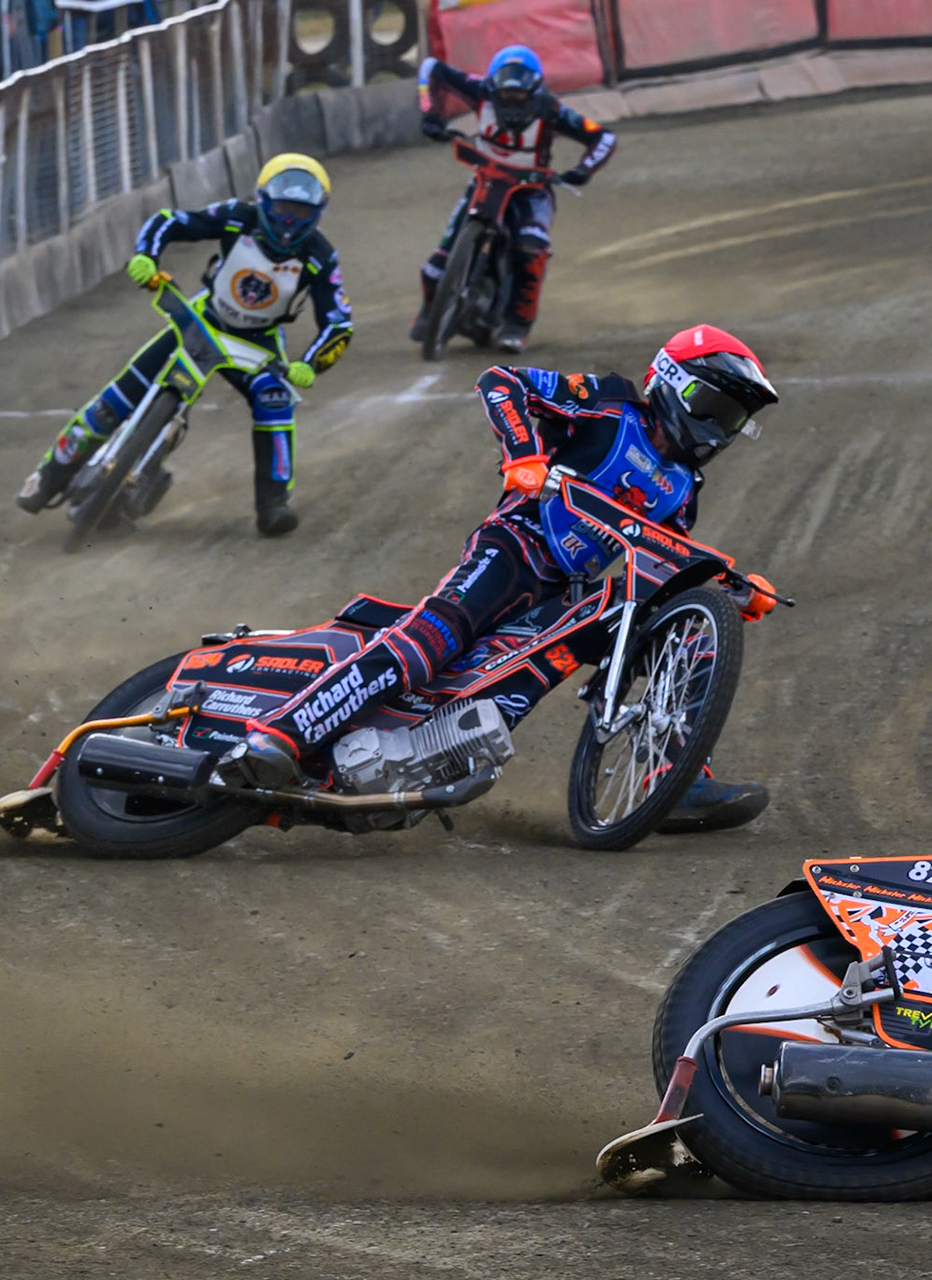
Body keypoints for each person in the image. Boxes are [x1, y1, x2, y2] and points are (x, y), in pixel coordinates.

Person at [217, 325, 781, 832]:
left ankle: (676, 774)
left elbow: (671, 562)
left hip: (566, 590)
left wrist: (731, 587)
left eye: (735, 417)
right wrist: (523, 454)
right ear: (672, 383)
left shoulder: (684, 488)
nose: (721, 427)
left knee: (666, 637)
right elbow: (503, 380)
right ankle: (282, 733)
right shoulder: (609, 404)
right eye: (715, 405)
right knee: (431, 642)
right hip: (514, 545)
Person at [15, 154, 352, 535]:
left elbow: (338, 322)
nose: (290, 221)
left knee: (275, 398)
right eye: (283, 208)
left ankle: (274, 502)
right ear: (263, 200)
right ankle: (47, 477)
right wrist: (146, 255)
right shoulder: (235, 216)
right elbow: (171, 222)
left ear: (318, 212)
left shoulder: (321, 258)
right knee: (121, 395)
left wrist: (310, 363)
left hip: (259, 342)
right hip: (202, 318)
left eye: (301, 212)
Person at [412, 45, 617, 354]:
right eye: (504, 92)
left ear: (535, 89)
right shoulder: (478, 90)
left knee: (531, 248)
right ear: (492, 86)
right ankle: (431, 311)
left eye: (519, 93)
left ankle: (517, 325)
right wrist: (431, 114)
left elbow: (603, 138)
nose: (511, 99)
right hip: (484, 181)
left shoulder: (553, 110)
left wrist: (583, 170)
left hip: (531, 191)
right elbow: (431, 68)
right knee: (434, 269)